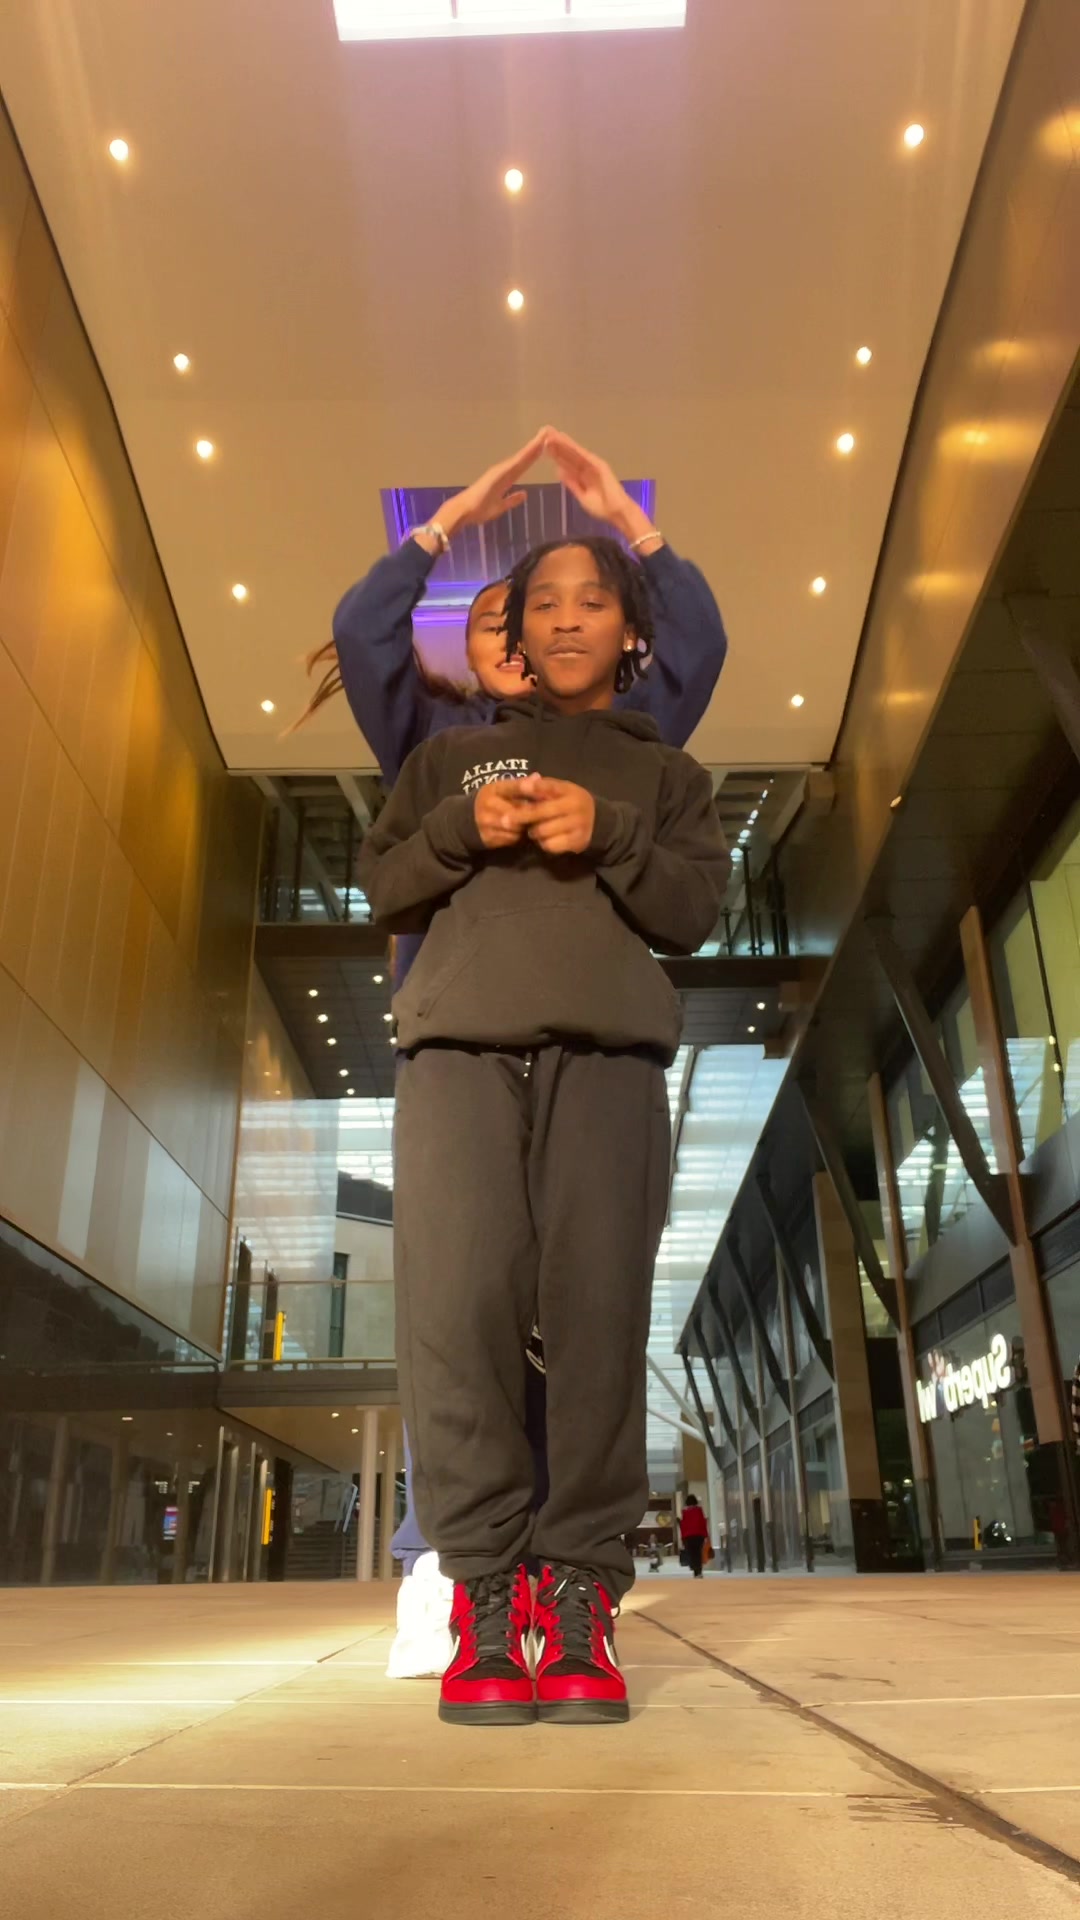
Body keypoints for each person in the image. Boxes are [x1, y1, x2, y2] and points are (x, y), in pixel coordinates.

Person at [312, 429, 729, 1678]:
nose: (558, 620)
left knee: (594, 1321)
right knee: (458, 1319)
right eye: (536, 603)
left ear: (628, 628)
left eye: (591, 600)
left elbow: (693, 909)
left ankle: (582, 1601)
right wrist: (460, 826)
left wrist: (608, 831)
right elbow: (388, 877)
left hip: (607, 1054)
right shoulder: (444, 750)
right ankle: (474, 1599)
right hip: (457, 1048)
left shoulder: (659, 762)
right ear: (497, 632)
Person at [679, 1494, 709, 1578]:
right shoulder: (699, 1510)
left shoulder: (685, 1512)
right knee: (698, 1553)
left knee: (692, 1553)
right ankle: (699, 1571)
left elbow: (683, 1525)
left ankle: (695, 1570)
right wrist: (706, 1535)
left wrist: (682, 1538)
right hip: (699, 1535)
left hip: (688, 1536)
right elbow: (703, 1523)